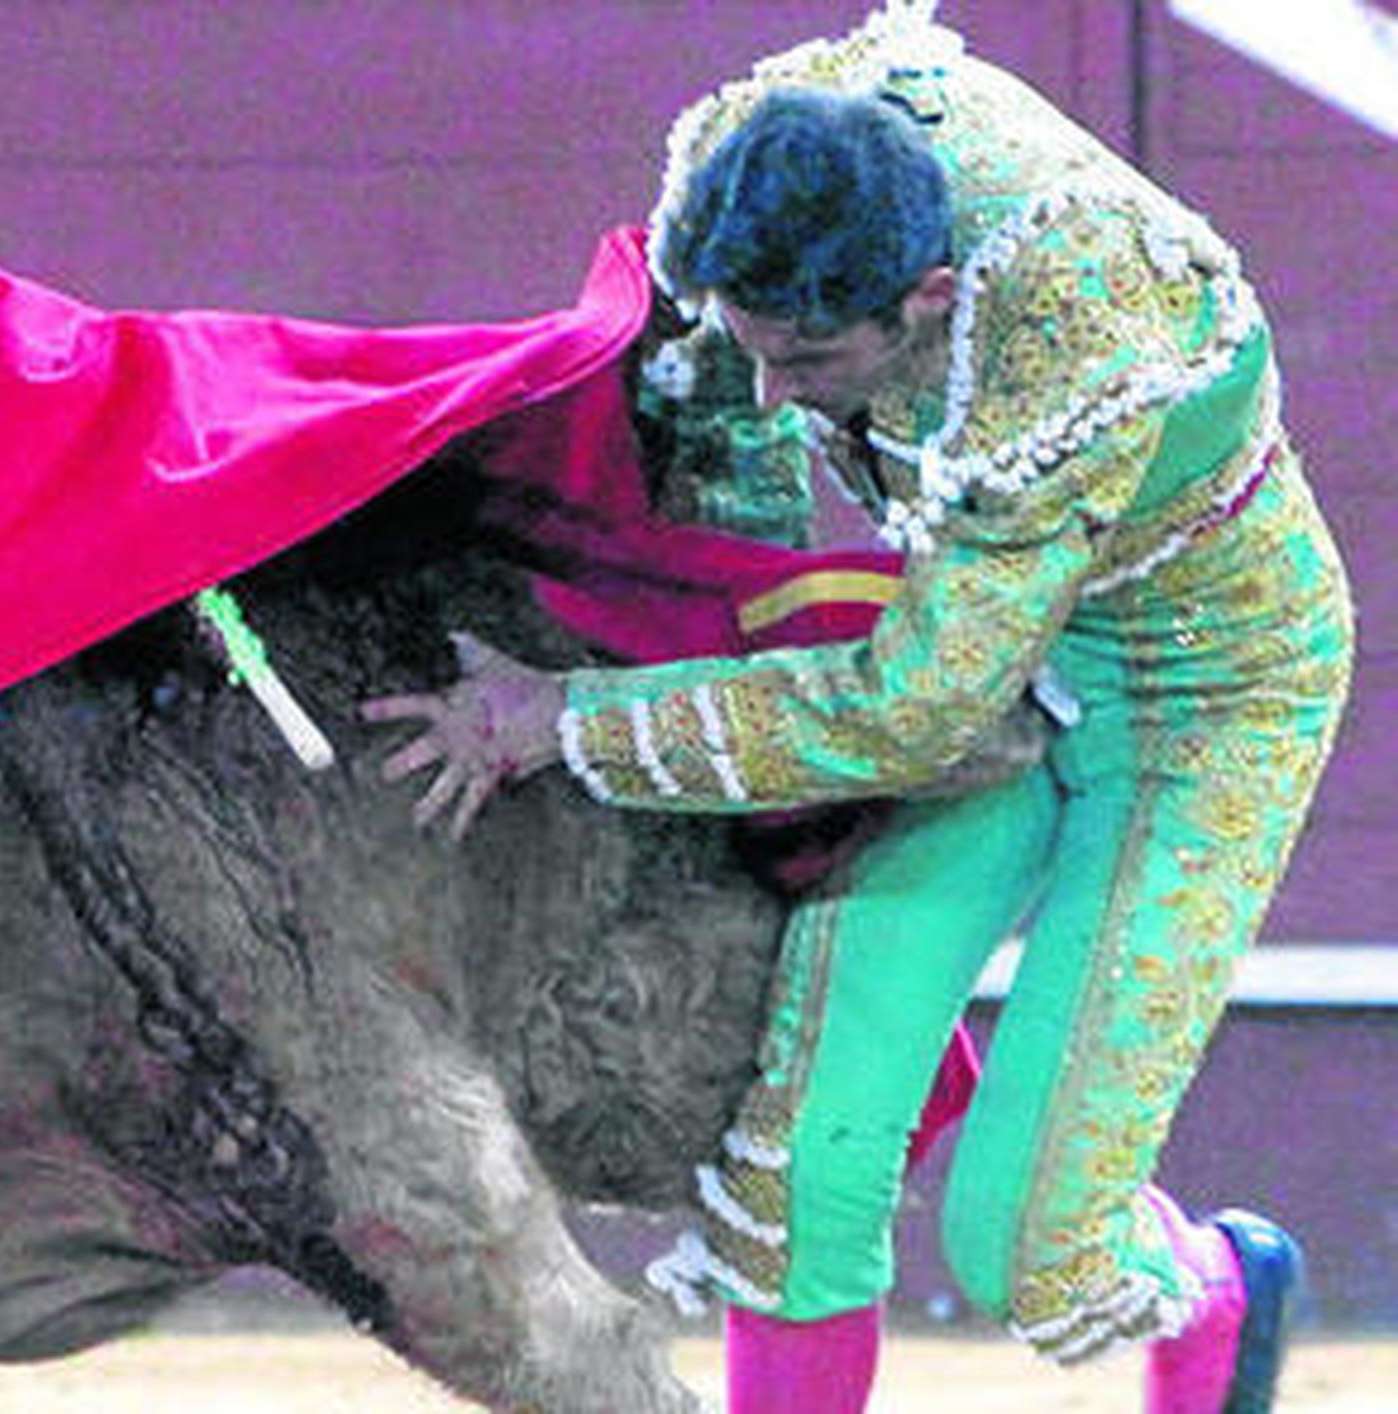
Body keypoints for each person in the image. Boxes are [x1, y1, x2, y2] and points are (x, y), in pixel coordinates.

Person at [361, 6, 1355, 1412]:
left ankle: (1225, 1286)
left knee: (1030, 1249)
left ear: (931, 298)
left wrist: (568, 720)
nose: (774, 389)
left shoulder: (1075, 332)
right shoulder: (748, 169)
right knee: (803, 1164)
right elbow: (740, 463)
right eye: (754, 343)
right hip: (996, 658)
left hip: (1206, 702)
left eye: (812, 362)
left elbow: (909, 715)